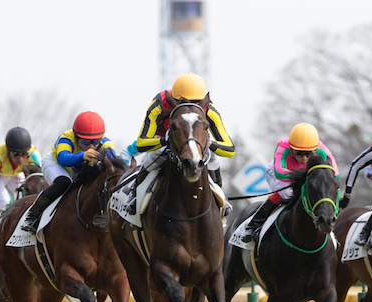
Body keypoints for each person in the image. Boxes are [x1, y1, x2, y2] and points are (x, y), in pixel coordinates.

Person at [123, 72, 235, 214]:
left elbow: (229, 149)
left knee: (213, 157)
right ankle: (134, 195)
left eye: (196, 103)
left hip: (196, 142)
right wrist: (164, 140)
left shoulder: (210, 110)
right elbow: (141, 143)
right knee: (154, 155)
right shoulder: (159, 105)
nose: (190, 108)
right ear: (174, 100)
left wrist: (209, 143)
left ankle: (220, 196)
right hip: (164, 137)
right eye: (184, 103)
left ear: (203, 101)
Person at [241, 123, 340, 243]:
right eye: (299, 153)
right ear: (291, 148)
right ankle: (253, 225)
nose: (304, 159)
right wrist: (303, 176)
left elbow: (335, 174)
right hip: (280, 173)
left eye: (309, 154)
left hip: (304, 175)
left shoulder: (322, 150)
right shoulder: (282, 147)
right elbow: (280, 173)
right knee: (287, 194)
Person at [19, 111, 117, 233]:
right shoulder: (66, 137)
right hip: (56, 164)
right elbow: (63, 159)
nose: (91, 146)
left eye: (95, 142)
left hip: (77, 168)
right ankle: (32, 216)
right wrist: (83, 155)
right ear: (75, 137)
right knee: (64, 183)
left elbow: (112, 163)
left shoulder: (107, 143)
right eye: (85, 142)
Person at [0, 127, 42, 224]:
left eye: (24, 154)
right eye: (15, 154)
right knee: (3, 201)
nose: (20, 159)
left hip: (16, 173)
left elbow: (40, 181)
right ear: (8, 151)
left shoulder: (34, 156)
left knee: (22, 200)